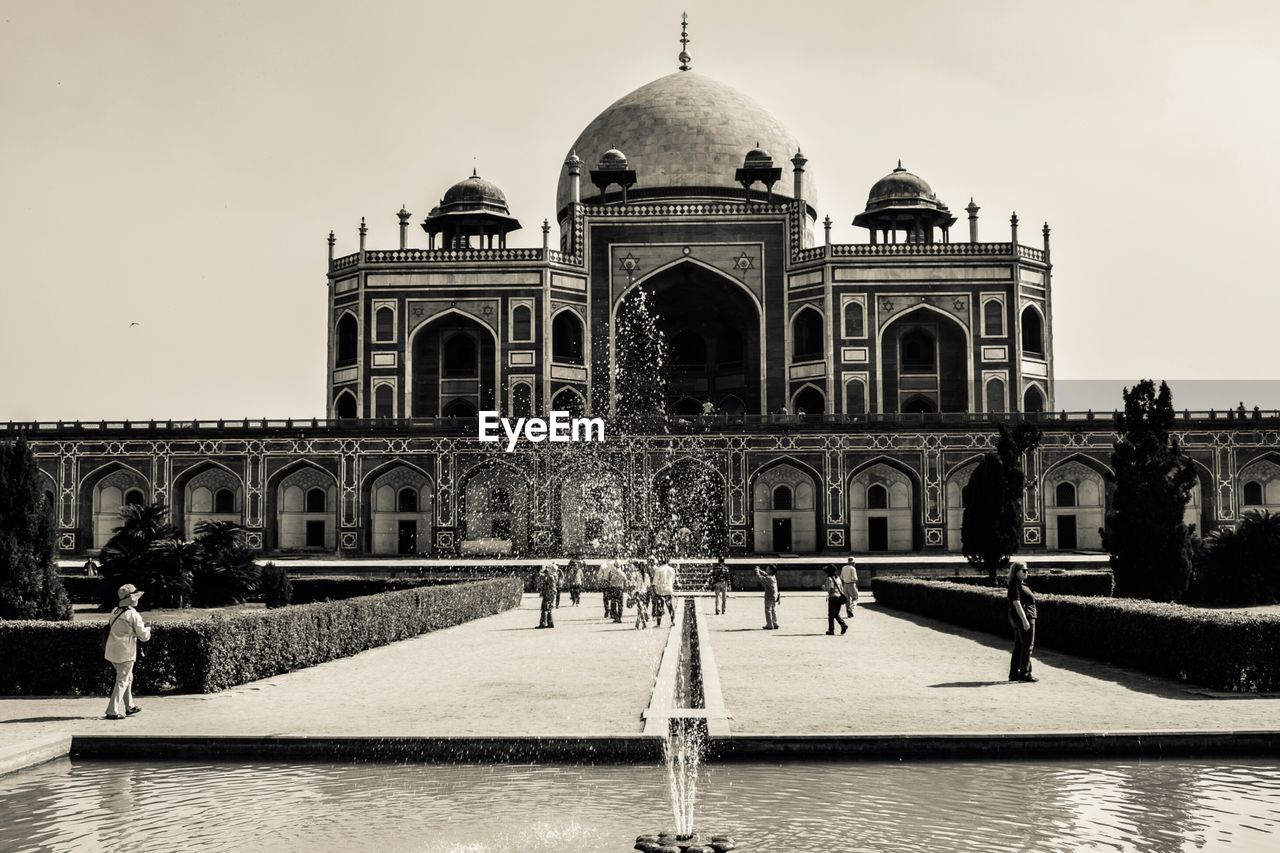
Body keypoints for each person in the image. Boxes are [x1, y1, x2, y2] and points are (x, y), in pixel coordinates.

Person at [104, 583, 151, 720]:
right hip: (126, 651)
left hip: (112, 650)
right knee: (123, 680)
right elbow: (144, 637)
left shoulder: (115, 611)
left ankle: (130, 706)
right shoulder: (133, 614)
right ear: (130, 599)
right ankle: (112, 710)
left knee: (127, 678)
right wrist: (148, 629)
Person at [1007, 561, 1038, 682]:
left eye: (1027, 570)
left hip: (1020, 617)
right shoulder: (1016, 585)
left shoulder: (1018, 583)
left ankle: (1014, 673)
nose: (1026, 572)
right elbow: (1016, 603)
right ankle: (1025, 673)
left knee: (1019, 646)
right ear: (1016, 572)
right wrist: (1025, 620)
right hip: (1025, 617)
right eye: (1024, 570)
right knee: (1027, 646)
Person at [823, 566, 849, 635]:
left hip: (833, 597)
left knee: (831, 615)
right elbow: (841, 588)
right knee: (836, 614)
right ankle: (843, 624)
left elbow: (829, 589)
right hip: (839, 597)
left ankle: (831, 630)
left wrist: (824, 587)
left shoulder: (829, 579)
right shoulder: (838, 578)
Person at [651, 558, 677, 626]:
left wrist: (654, 592)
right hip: (669, 589)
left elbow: (654, 583)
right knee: (670, 606)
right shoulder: (672, 569)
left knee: (660, 606)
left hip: (660, 590)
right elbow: (673, 581)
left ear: (660, 561)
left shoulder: (658, 569)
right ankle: (673, 621)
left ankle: (658, 623)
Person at [755, 565, 780, 630]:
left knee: (768, 610)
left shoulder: (768, 578)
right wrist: (760, 570)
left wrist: (757, 571)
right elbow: (765, 574)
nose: (766, 569)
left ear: (770, 570)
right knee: (773, 610)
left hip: (769, 596)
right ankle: (775, 623)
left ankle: (769, 624)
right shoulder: (773, 577)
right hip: (775, 596)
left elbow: (759, 578)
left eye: (767, 568)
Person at [629, 562, 651, 629]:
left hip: (639, 593)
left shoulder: (637, 575)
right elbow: (648, 586)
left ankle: (638, 623)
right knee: (641, 609)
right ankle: (642, 623)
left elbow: (632, 584)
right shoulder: (646, 575)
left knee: (640, 609)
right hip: (643, 593)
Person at [536, 563, 558, 628]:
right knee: (549, 609)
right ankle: (550, 623)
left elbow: (541, 576)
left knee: (544, 608)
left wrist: (542, 570)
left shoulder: (550, 576)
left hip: (548, 594)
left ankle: (543, 623)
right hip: (551, 594)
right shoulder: (554, 575)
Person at [606, 559, 628, 623]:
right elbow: (625, 580)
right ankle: (619, 617)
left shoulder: (611, 572)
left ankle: (615, 617)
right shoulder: (622, 573)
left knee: (613, 603)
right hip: (620, 589)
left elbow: (608, 580)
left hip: (613, 588)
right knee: (620, 604)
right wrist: (624, 587)